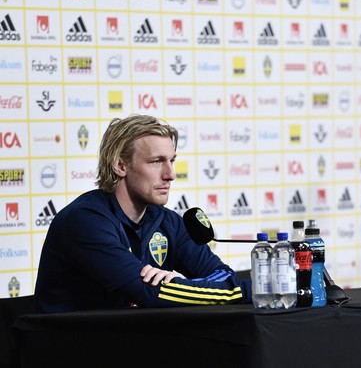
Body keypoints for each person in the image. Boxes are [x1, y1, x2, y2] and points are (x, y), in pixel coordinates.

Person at [34, 114, 251, 313]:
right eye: (157, 162)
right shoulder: (85, 221)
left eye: (172, 161)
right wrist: (239, 291)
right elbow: (151, 294)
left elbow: (223, 275)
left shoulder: (168, 221)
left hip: (129, 344)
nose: (171, 174)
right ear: (120, 166)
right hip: (70, 349)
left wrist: (181, 284)